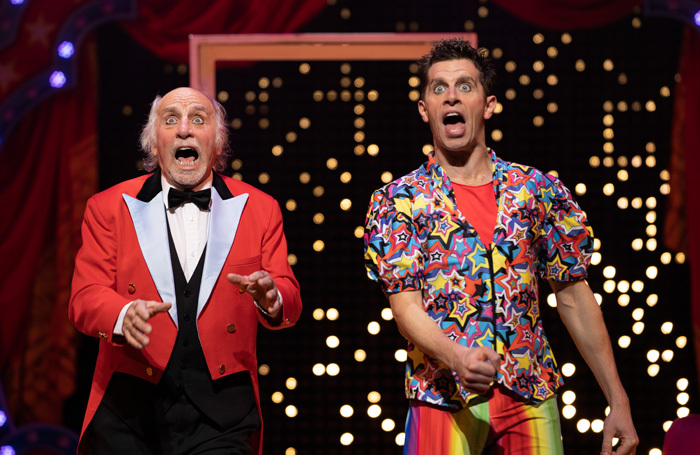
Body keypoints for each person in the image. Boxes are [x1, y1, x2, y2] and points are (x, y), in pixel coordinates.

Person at [363, 38, 638, 455]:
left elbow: (574, 297)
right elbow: (405, 308)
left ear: (488, 105)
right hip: (442, 397)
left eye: (464, 86)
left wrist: (618, 399)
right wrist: (457, 358)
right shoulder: (398, 201)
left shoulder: (535, 190)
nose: (451, 95)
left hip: (530, 394)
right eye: (438, 88)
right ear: (425, 110)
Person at [69, 87, 302, 455]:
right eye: (170, 119)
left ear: (217, 140)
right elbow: (84, 298)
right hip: (128, 410)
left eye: (198, 118)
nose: (184, 130)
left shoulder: (260, 208)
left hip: (223, 414)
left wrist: (272, 298)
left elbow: (287, 294)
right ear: (154, 141)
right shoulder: (108, 207)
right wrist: (123, 313)